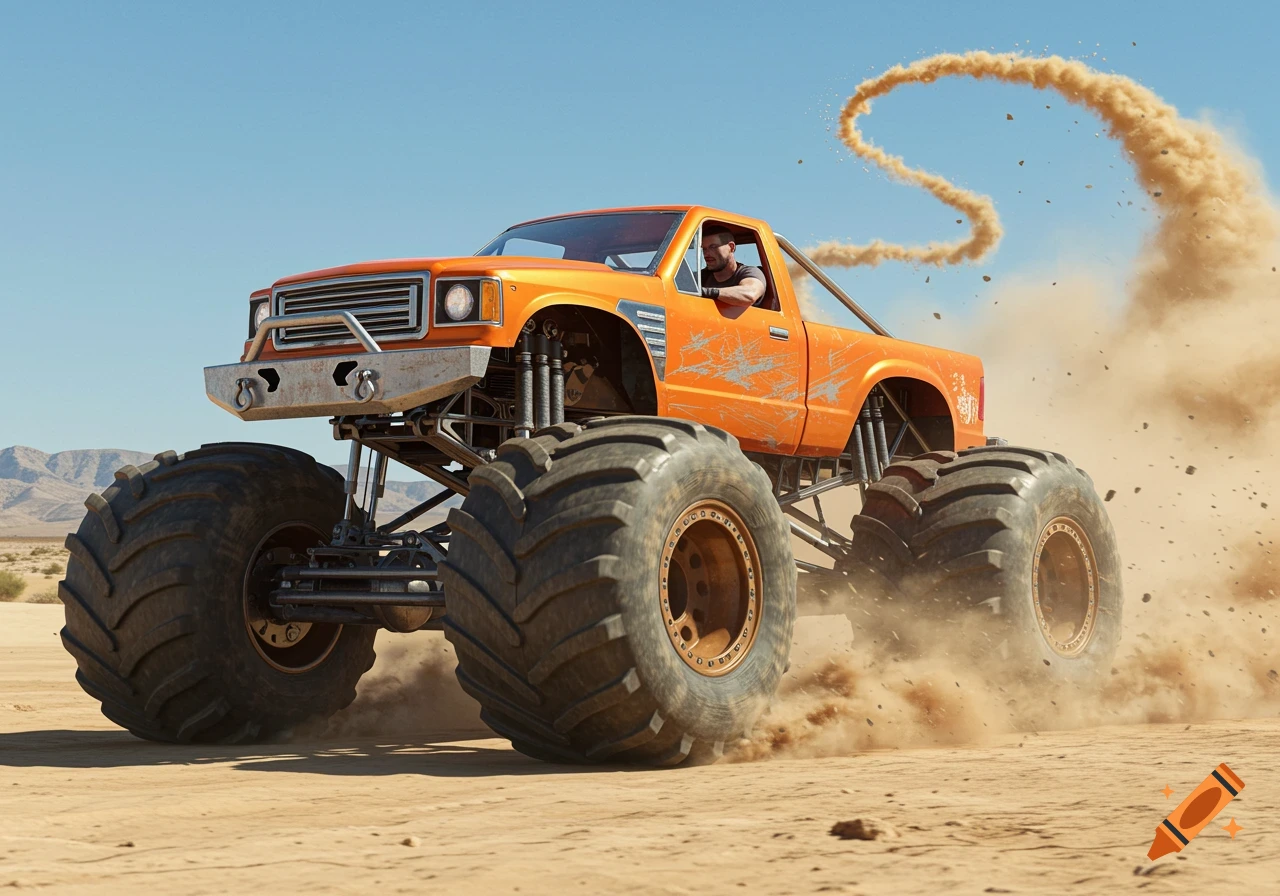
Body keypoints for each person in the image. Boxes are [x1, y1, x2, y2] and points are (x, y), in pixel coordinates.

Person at [699, 226, 768, 308]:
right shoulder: (701, 277)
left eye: (713, 247)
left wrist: (706, 292)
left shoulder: (749, 272)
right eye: (704, 249)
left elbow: (750, 294)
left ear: (731, 247)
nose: (707, 254)